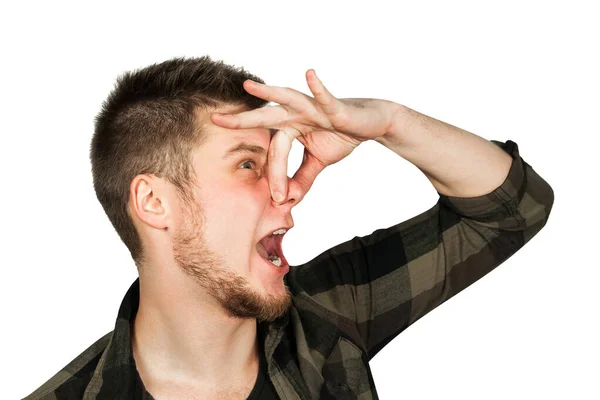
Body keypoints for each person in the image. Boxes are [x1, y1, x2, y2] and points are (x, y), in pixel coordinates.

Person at [25, 55, 554, 400]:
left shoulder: (328, 311)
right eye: (249, 165)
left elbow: (512, 211)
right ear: (154, 202)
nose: (286, 191)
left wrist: (389, 123)